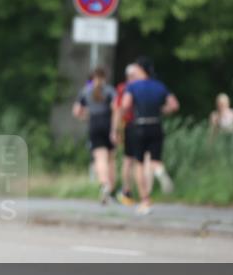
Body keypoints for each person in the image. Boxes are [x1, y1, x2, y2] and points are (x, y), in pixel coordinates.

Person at [120, 59, 180, 216]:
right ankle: (160, 172)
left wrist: (120, 117)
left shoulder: (133, 86)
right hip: (156, 125)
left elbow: (125, 105)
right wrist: (162, 110)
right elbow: (174, 105)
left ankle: (145, 200)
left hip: (139, 125)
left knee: (139, 164)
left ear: (141, 69)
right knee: (154, 161)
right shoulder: (159, 86)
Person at [73, 67, 117, 204]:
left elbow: (76, 111)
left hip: (94, 124)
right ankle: (111, 189)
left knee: (99, 158)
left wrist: (85, 118)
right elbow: (116, 108)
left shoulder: (85, 91)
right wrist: (115, 129)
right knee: (111, 159)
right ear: (104, 77)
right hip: (108, 123)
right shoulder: (109, 90)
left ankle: (104, 185)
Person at [111, 64, 142, 205]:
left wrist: (115, 130)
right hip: (137, 124)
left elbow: (117, 109)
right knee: (137, 160)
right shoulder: (140, 87)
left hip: (129, 125)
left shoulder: (122, 88)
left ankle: (127, 191)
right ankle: (139, 192)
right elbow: (119, 109)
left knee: (128, 160)